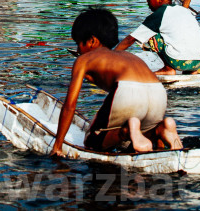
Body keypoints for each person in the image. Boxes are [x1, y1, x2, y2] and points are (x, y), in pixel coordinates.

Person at [51, 8, 182, 156]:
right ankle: (161, 130)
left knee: (92, 141)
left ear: (92, 40)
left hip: (128, 91)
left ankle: (126, 131)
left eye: (79, 44)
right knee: (143, 131)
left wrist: (57, 146)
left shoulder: (84, 60)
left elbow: (70, 105)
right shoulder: (128, 56)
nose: (78, 50)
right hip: (158, 92)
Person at [115, 0, 200, 75]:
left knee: (151, 34)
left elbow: (131, 39)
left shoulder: (160, 14)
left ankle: (168, 69)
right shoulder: (185, 11)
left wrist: (112, 55)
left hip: (179, 62)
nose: (147, 1)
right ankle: (192, 71)